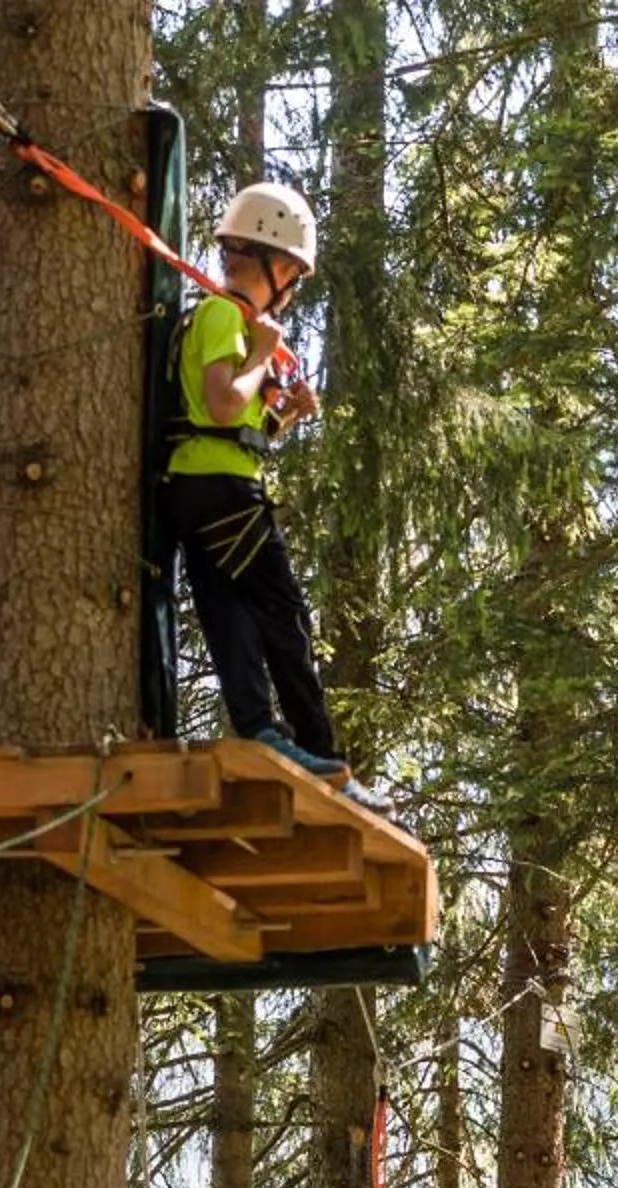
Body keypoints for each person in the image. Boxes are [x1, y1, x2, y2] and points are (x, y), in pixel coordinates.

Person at [160, 185, 383, 810]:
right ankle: (323, 754)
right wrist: (262, 354)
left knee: (231, 611)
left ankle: (259, 724)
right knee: (283, 613)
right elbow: (224, 400)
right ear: (268, 264)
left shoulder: (219, 320)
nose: (292, 284)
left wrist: (287, 416)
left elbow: (235, 425)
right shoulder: (224, 316)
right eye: (290, 270)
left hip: (198, 488)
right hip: (223, 493)